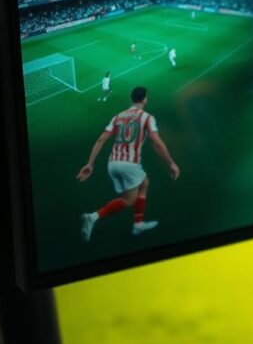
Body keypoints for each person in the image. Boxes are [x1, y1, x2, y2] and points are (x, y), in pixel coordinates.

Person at [76, 86, 180, 241]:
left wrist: (90, 164)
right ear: (145, 99)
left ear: (132, 99)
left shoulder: (118, 117)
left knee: (144, 183)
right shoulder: (147, 117)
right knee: (129, 200)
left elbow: (101, 139)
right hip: (129, 164)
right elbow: (156, 142)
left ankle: (138, 224)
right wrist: (171, 163)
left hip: (112, 164)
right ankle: (93, 217)